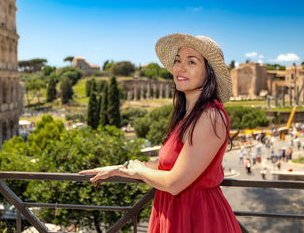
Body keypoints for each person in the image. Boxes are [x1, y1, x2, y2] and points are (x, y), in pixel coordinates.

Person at [79, 33, 241, 232]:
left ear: (209, 73)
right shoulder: (187, 116)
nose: (180, 68)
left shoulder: (210, 118)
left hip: (197, 218)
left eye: (191, 62)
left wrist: (139, 171)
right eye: (177, 60)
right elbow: (168, 165)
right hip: (174, 212)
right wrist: (122, 168)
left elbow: (174, 183)